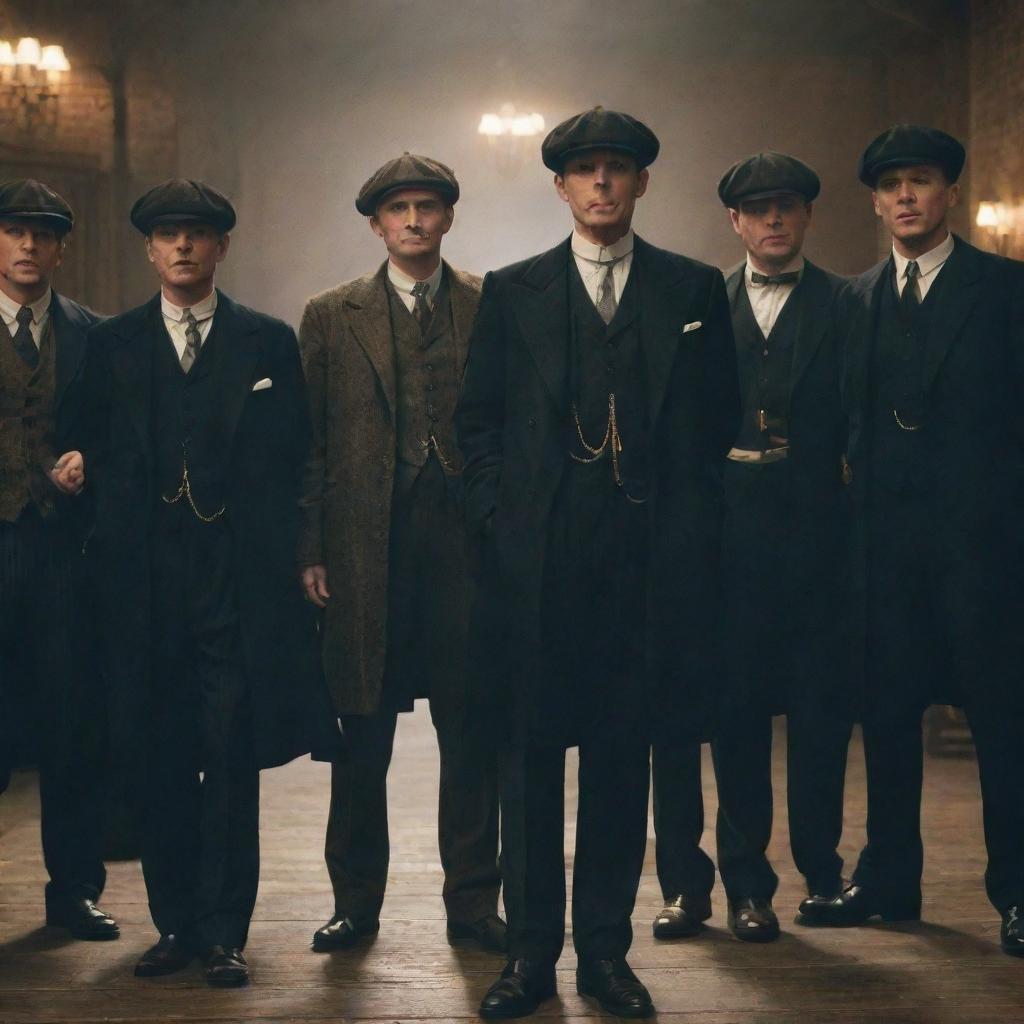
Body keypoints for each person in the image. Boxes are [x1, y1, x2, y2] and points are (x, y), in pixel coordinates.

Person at [457, 107, 740, 1019]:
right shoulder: (514, 290)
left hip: (646, 572)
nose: (603, 184)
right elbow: (478, 424)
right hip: (540, 572)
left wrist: (685, 531)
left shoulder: (693, 291)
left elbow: (718, 422)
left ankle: (605, 960)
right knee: (532, 767)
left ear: (642, 183)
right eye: (586, 171)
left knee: (623, 765)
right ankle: (531, 960)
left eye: (619, 169)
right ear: (562, 188)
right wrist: (505, 520)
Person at [82, 179, 321, 985]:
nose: (183, 246)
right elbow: (83, 449)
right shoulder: (111, 346)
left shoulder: (266, 342)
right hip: (145, 589)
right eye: (167, 234)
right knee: (160, 756)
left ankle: (225, 932)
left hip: (235, 586)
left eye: (198, 233)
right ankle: (175, 925)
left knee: (228, 754)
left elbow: (295, 457)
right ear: (149, 250)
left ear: (222, 247)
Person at [800, 125, 1024, 959]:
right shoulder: (852, 300)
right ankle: (890, 879)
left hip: (985, 556)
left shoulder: (1005, 291)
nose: (905, 197)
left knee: (1005, 726)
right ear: (874, 199)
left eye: (920, 182)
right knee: (888, 723)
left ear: (949, 194)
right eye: (891, 185)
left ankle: (1019, 893)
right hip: (882, 560)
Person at [298, 154, 503, 955]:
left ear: (448, 217)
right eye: (399, 210)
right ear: (376, 224)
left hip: (465, 551)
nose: (415, 221)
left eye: (428, 207)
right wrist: (310, 546)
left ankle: (473, 905)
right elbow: (310, 443)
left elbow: (512, 430)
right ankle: (355, 904)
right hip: (362, 551)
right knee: (361, 738)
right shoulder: (330, 314)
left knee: (471, 732)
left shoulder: (492, 305)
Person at [651, 153, 852, 944]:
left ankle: (766, 883)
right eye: (757, 209)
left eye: (787, 208)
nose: (773, 221)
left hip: (812, 548)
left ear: (806, 217)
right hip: (714, 547)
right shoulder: (697, 303)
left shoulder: (847, 304)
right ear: (734, 221)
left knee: (806, 716)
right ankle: (693, 888)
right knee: (715, 714)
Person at [0, 179, 117, 941]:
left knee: (74, 725)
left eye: (43, 235)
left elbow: (120, 432)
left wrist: (90, 461)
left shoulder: (95, 335)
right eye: (14, 233)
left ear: (61, 248)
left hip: (66, 562)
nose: (29, 247)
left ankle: (73, 892)